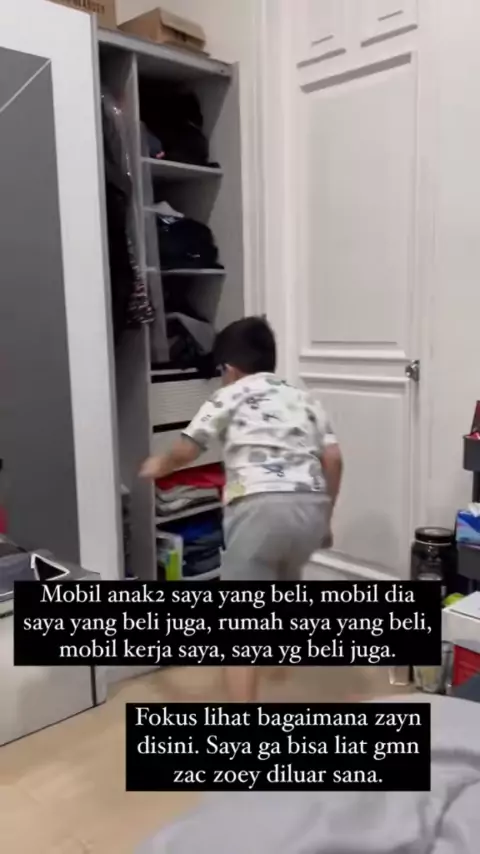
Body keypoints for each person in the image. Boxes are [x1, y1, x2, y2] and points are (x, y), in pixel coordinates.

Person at [140, 316, 343, 702]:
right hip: (310, 507)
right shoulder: (304, 398)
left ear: (229, 369)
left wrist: (159, 465)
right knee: (284, 572)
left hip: (258, 506)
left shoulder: (228, 396)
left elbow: (186, 449)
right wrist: (326, 518)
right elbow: (333, 459)